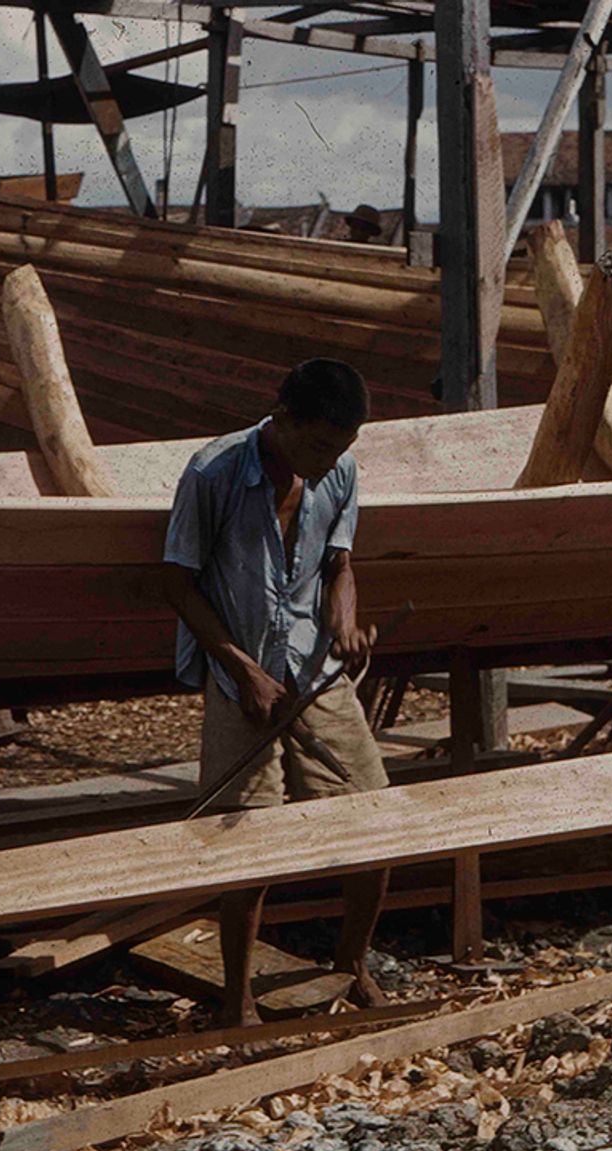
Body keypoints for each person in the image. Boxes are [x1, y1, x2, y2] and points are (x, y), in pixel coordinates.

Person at [161, 358, 390, 1027]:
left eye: (340, 450)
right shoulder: (214, 472)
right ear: (282, 417)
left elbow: (340, 565)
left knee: (376, 822)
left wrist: (345, 622)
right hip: (242, 673)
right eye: (318, 446)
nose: (326, 463)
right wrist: (245, 672)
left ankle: (353, 965)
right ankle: (239, 1000)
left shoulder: (339, 470)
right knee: (247, 839)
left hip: (315, 668)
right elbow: (177, 583)